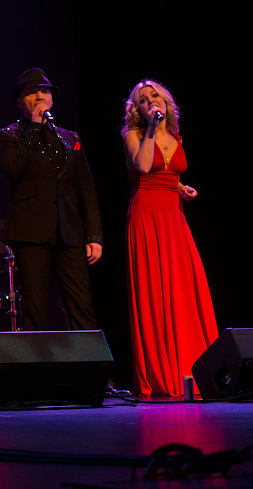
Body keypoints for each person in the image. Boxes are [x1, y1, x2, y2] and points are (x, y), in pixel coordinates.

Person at [122, 79, 218, 397]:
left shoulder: (176, 137)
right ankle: (164, 372)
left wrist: (181, 188)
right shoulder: (134, 135)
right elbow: (143, 165)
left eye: (155, 95)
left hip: (174, 216)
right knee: (155, 289)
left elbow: (169, 173)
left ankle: (195, 367)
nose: (151, 100)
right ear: (138, 109)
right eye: (143, 99)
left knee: (183, 286)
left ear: (165, 101)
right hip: (147, 215)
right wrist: (151, 129)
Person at [0, 68, 102, 331]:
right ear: (20, 101)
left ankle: (87, 358)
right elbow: (12, 169)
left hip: (69, 232)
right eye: (32, 92)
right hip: (31, 232)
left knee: (81, 305)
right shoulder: (8, 135)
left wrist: (94, 236)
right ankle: (37, 359)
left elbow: (86, 189)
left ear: (52, 100)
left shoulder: (70, 138)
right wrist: (33, 127)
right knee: (35, 308)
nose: (40, 96)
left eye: (44, 92)